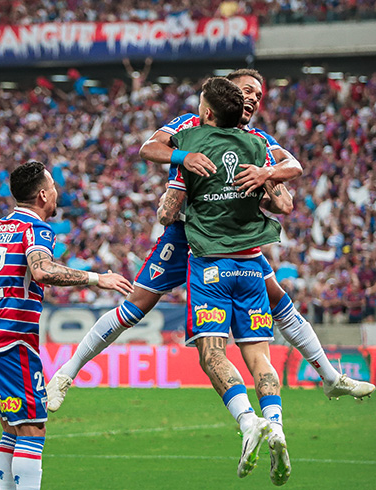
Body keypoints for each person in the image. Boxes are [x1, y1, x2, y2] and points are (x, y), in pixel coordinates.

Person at [46, 69, 374, 411]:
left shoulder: (257, 140)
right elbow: (149, 148)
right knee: (135, 305)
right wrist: (182, 158)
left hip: (228, 240)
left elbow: (287, 194)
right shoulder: (190, 125)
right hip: (187, 232)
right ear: (228, 93)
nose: (253, 98)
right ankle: (65, 375)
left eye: (258, 95)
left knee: (279, 302)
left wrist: (265, 177)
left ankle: (330, 377)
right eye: (247, 90)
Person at [0, 161, 133, 490]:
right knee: (32, 429)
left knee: (12, 428)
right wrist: (97, 278)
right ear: (43, 194)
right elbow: (42, 271)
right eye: (54, 187)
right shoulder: (36, 229)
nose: (57, 193)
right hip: (12, 341)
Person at [158, 77, 293, 483]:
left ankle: (248, 421)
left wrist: (178, 189)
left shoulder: (193, 146)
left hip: (211, 267)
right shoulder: (258, 147)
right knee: (260, 358)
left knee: (212, 353)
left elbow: (167, 214)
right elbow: (285, 203)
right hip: (253, 265)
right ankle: (277, 425)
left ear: (209, 112)